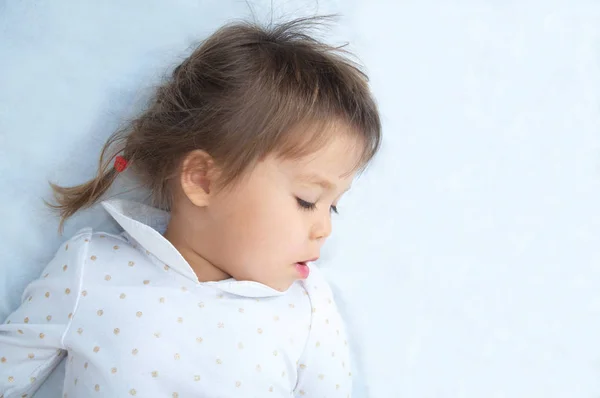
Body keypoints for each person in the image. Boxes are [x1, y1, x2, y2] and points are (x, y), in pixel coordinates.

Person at [0, 15, 381, 397]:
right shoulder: (91, 269)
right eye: (307, 201)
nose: (324, 230)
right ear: (202, 179)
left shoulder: (309, 310)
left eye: (331, 207)